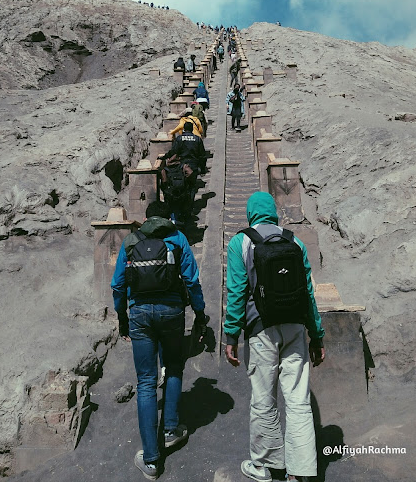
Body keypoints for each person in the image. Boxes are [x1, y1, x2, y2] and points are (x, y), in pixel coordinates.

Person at [224, 191, 325, 482]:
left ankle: (267, 466)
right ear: (274, 212)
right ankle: (302, 470)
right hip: (295, 327)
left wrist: (231, 334)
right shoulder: (295, 241)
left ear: (250, 213)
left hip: (260, 329)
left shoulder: (240, 242)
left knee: (264, 398)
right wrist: (316, 335)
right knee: (298, 400)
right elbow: (308, 293)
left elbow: (237, 293)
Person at [112, 200, 207, 480]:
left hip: (139, 313)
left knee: (145, 382)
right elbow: (191, 280)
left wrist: (122, 317)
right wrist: (200, 312)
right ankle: (170, 430)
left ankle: (151, 460)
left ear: (147, 218)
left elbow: (118, 284)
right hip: (172, 311)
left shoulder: (130, 241)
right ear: (168, 219)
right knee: (175, 367)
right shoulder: (178, 240)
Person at [161, 122, 207, 203]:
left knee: (183, 185)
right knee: (192, 186)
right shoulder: (197, 139)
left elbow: (173, 152)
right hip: (194, 165)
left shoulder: (179, 139)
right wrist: (203, 168)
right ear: (192, 129)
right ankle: (190, 205)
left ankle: (183, 205)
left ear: (184, 129)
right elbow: (202, 155)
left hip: (182, 166)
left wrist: (164, 156)